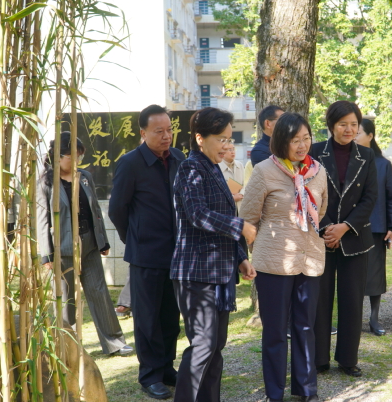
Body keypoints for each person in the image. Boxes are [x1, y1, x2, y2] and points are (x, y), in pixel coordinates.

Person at [171, 107, 257, 402]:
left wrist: (240, 258)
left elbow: (221, 218)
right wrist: (240, 226)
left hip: (219, 270)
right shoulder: (190, 168)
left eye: (229, 139)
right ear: (200, 138)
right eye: (221, 139)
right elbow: (197, 214)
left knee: (215, 346)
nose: (226, 146)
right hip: (196, 271)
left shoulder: (213, 167)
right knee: (203, 345)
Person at [241, 113, 328, 402]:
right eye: (295, 140)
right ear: (281, 141)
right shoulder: (264, 170)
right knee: (276, 331)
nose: (302, 145)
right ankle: (274, 392)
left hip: (309, 259)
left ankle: (306, 389)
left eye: (306, 138)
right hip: (273, 263)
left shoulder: (318, 171)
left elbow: (321, 211)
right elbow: (248, 218)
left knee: (305, 327)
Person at [109, 105, 185, 400]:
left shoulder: (178, 158)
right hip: (145, 254)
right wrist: (134, 238)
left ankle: (166, 367)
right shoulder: (130, 163)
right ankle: (150, 375)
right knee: (147, 318)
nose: (166, 136)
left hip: (176, 254)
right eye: (159, 131)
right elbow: (117, 209)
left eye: (169, 130)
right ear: (143, 133)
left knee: (170, 316)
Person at [37, 132, 132, 356]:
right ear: (58, 156)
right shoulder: (46, 182)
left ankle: (114, 343)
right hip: (61, 248)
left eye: (79, 156)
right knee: (65, 299)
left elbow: (95, 210)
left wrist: (103, 241)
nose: (77, 161)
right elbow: (42, 221)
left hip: (88, 243)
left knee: (99, 293)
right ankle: (66, 347)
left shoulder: (85, 176)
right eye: (73, 156)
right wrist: (46, 255)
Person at [310, 100, 378, 378]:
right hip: (320, 237)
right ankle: (319, 359)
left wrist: (345, 228)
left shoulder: (367, 155)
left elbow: (370, 197)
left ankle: (348, 359)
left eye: (354, 125)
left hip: (355, 238)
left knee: (352, 300)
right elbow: (308, 193)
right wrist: (328, 228)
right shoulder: (314, 152)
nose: (349, 130)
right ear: (331, 125)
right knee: (320, 300)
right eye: (343, 124)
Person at [354, 118, 392, 336]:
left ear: (370, 136)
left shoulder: (383, 164)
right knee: (352, 275)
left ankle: (374, 318)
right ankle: (353, 319)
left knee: (375, 273)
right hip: (350, 227)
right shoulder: (348, 160)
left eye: (358, 132)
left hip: (376, 227)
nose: (353, 135)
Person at [220, 141, 245, 206]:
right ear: (222, 151)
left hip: (240, 203)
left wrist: (241, 194)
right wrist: (232, 198)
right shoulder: (217, 167)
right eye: (229, 150)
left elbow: (245, 183)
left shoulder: (240, 165)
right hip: (225, 205)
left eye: (233, 149)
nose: (232, 152)